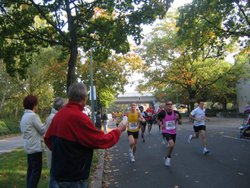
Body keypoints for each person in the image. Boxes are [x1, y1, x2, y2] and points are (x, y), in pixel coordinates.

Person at [44, 82, 126, 188]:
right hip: (73, 179)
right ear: (84, 98)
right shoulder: (79, 118)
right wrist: (118, 130)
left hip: (56, 176)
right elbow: (101, 140)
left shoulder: (58, 115)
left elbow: (48, 140)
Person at [20, 94, 46, 188]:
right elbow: (42, 130)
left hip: (28, 147)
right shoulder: (33, 116)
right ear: (34, 105)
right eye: (37, 104)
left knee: (30, 170)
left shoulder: (24, 116)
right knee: (36, 172)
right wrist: (47, 122)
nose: (37, 106)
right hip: (35, 148)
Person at [44, 97, 65, 187]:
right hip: (53, 148)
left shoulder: (52, 116)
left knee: (54, 173)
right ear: (60, 107)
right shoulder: (55, 117)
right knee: (55, 175)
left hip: (52, 147)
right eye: (64, 106)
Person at [157, 101, 181, 166]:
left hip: (173, 132)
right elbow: (158, 120)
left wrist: (178, 118)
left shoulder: (176, 112)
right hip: (166, 131)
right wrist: (161, 125)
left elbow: (180, 122)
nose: (170, 105)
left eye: (171, 104)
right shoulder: (162, 113)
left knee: (172, 146)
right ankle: (169, 158)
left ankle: (166, 157)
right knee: (172, 144)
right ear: (166, 106)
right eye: (168, 104)